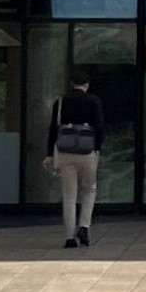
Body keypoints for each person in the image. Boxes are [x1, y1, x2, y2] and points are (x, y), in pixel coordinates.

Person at [49, 76, 105, 246]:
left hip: (65, 151)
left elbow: (53, 128)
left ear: (72, 84)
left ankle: (69, 237)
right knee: (89, 190)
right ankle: (84, 226)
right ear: (87, 84)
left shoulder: (60, 102)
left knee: (69, 196)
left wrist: (49, 153)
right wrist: (97, 148)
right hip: (87, 151)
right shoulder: (93, 101)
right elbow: (100, 127)